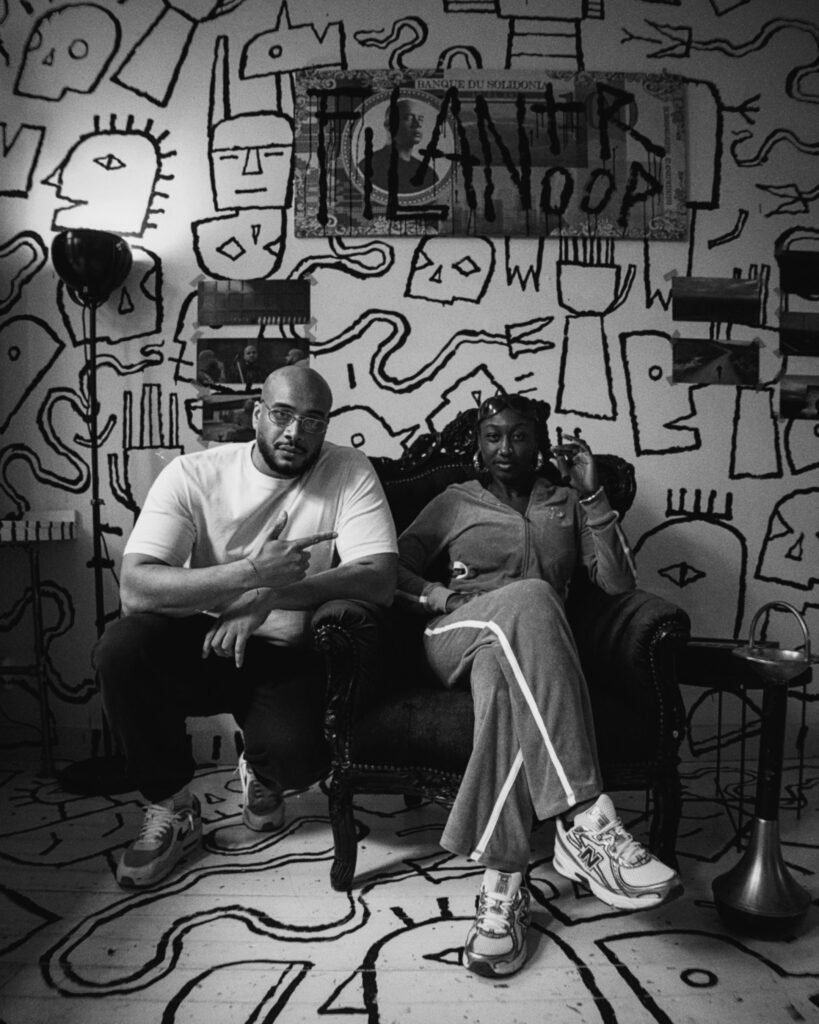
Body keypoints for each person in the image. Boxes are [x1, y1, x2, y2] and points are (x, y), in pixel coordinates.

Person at [395, 392, 682, 978]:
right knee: (532, 594)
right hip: (457, 633)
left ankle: (502, 887)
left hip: (523, 655)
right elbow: (390, 566)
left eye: (519, 435)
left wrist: (594, 496)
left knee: (507, 691)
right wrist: (440, 597)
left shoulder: (566, 503)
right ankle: (584, 819)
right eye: (493, 436)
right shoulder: (454, 501)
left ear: (540, 444)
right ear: (479, 445)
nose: (506, 448)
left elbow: (618, 584)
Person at [94, 365, 398, 888]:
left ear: (326, 426)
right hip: (204, 641)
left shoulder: (347, 469)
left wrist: (269, 595)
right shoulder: (194, 474)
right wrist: (252, 573)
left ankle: (263, 772)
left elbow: (379, 579)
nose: (295, 432)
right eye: (281, 415)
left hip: (286, 651)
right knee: (121, 649)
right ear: (257, 414)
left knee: (300, 761)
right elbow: (136, 589)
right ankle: (173, 806)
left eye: (312, 421)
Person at [358, 98, 439, 194]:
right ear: (389, 125)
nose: (417, 124)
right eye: (408, 118)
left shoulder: (429, 174)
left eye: (420, 119)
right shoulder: (368, 167)